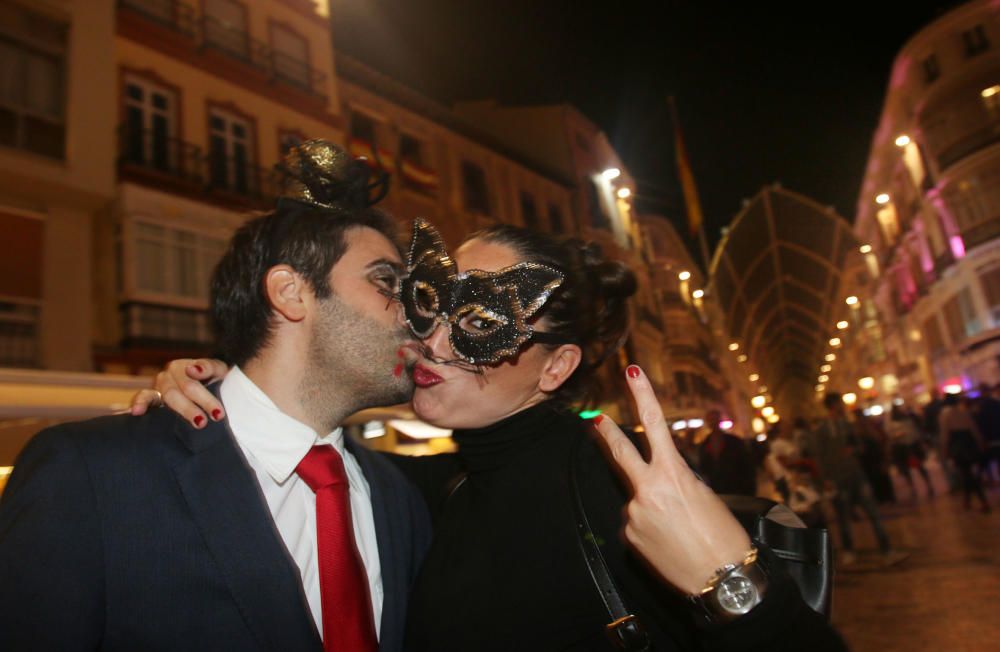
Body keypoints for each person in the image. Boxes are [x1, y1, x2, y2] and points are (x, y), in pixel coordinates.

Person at [140, 219, 847, 649]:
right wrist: (220, 390)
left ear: (557, 367)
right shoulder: (413, 489)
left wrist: (731, 584)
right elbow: (298, 446)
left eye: (480, 324)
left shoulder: (619, 488)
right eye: (429, 306)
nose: (435, 341)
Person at [0, 141, 432, 650]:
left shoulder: (399, 495)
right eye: (387, 282)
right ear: (291, 293)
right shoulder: (89, 474)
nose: (415, 312)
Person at [803, 392, 908, 567]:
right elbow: (818, 457)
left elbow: (859, 446)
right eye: (840, 404)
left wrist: (855, 448)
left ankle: (887, 550)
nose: (843, 407)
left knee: (874, 513)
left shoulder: (848, 425)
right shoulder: (822, 430)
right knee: (844, 518)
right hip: (838, 479)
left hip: (857, 476)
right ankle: (849, 550)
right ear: (833, 406)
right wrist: (825, 480)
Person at [939, 393, 991, 513]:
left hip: (958, 446)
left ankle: (982, 501)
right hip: (969, 444)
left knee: (966, 473)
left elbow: (945, 435)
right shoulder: (964, 412)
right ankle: (967, 500)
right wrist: (980, 443)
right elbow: (974, 430)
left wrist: (945, 449)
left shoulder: (945, 415)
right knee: (967, 473)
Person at [697, 408, 758, 496]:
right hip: (718, 490)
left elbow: (747, 464)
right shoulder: (704, 445)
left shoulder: (734, 441)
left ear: (719, 420)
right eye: (710, 420)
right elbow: (704, 467)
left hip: (738, 488)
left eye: (714, 419)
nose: (712, 422)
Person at [887, 403, 934, 499]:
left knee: (918, 467)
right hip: (904, 447)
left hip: (909, 446)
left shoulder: (905, 422)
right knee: (910, 469)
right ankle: (916, 487)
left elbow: (914, 433)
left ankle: (925, 485)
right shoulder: (897, 423)